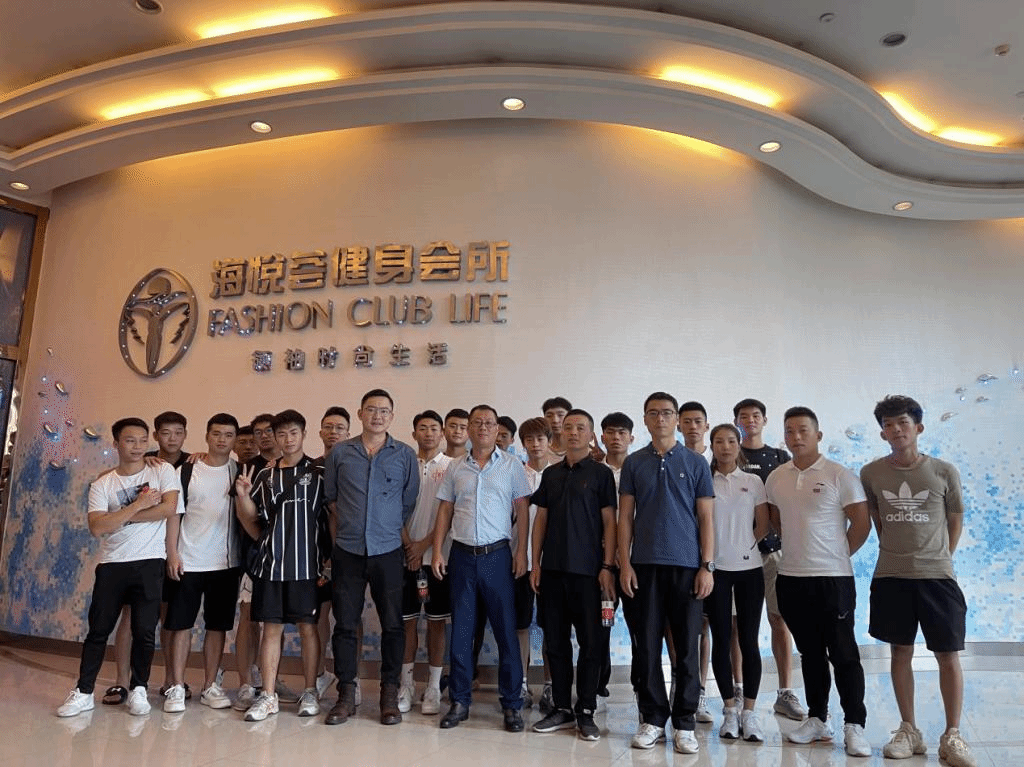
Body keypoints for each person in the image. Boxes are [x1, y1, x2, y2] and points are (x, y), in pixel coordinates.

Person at [860, 396, 975, 767]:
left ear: (918, 428)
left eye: (903, 423)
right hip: (891, 576)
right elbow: (877, 519)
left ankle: (952, 735)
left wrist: (941, 556)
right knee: (900, 652)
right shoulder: (871, 473)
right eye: (889, 425)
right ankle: (909, 730)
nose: (896, 430)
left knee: (948, 655)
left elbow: (954, 519)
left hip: (937, 576)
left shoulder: (943, 471)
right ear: (882, 433)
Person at [57, 417, 181, 718]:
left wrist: (118, 518)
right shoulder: (103, 483)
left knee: (144, 631)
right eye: (129, 440)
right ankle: (83, 692)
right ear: (116, 444)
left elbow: (168, 508)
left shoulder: (162, 470)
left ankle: (139, 690)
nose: (137, 447)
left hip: (150, 562)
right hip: (112, 564)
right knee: (98, 631)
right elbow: (97, 528)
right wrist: (137, 505)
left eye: (142, 440)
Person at [766, 406, 872, 757]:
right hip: (792, 578)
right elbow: (778, 521)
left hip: (833, 580)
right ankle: (817, 718)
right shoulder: (776, 477)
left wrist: (836, 555)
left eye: (803, 430)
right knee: (810, 653)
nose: (796, 437)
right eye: (790, 431)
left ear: (818, 435)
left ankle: (854, 724)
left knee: (843, 653)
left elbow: (861, 524)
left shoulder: (840, 475)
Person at [618, 392, 714, 755]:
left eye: (667, 413)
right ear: (644, 419)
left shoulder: (696, 462)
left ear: (676, 419)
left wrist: (707, 565)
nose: (660, 419)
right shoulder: (634, 463)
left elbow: (706, 518)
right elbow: (625, 517)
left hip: (687, 567)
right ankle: (653, 718)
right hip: (644, 567)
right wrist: (624, 563)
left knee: (687, 648)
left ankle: (685, 722)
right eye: (653, 413)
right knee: (645, 646)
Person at [432, 404, 531, 732]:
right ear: (469, 429)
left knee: (506, 631)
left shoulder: (512, 466)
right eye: (477, 423)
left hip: (497, 557)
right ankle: (459, 701)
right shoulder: (455, 467)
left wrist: (521, 552)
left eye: (489, 423)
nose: (483, 427)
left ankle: (512, 704)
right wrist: (438, 551)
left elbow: (522, 510)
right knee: (461, 631)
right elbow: (445, 510)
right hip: (461, 556)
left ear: (497, 428)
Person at [324, 390, 419, 726]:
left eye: (384, 411)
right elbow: (331, 498)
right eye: (371, 410)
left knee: (393, 625)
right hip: (348, 550)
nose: (377, 416)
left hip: (388, 550)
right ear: (360, 413)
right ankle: (346, 695)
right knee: (345, 625)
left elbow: (408, 502)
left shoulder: (404, 454)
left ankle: (389, 695)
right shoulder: (340, 452)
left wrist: (384, 524)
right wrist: (352, 525)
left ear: (392, 416)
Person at [234, 409, 329, 722]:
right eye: (282, 434)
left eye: (293, 433)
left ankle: (310, 691)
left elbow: (332, 517)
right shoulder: (265, 475)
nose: (288, 440)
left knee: (307, 629)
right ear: (274, 438)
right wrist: (243, 497)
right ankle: (268, 695)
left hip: (307, 567)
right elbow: (251, 518)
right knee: (270, 630)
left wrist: (330, 560)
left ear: (304, 435)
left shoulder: (319, 472)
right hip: (271, 567)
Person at [530, 409, 617, 741]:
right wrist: (535, 563)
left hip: (590, 574)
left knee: (591, 644)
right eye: (568, 427)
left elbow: (610, 522)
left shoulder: (601, 474)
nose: (573, 432)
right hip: (553, 571)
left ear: (591, 435)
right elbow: (541, 520)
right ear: (561, 433)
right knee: (555, 643)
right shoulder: (551, 474)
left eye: (581, 428)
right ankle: (562, 708)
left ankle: (587, 710)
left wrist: (607, 567)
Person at [162, 413, 243, 712]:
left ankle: (210, 685)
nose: (222, 439)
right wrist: (172, 553)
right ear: (207, 436)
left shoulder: (240, 471)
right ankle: (176, 686)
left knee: (217, 626)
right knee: (180, 625)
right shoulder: (186, 470)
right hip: (188, 561)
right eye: (217, 433)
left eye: (229, 435)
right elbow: (174, 514)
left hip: (225, 563)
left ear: (235, 440)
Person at [733, 397, 806, 721]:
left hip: (774, 552)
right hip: (737, 554)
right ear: (736, 422)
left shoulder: (779, 458)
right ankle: (737, 688)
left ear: (764, 420)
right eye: (743, 416)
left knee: (779, 619)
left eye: (755, 415)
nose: (750, 420)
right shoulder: (728, 454)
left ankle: (785, 692)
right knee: (737, 625)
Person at [705, 424, 769, 741]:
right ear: (712, 445)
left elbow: (764, 524)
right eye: (719, 441)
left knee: (748, 640)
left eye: (731, 441)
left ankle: (750, 713)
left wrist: (745, 546)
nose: (725, 447)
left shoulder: (753, 481)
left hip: (749, 569)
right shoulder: (704, 479)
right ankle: (729, 711)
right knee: (720, 638)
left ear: (739, 445)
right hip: (715, 570)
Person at [398, 409, 452, 715]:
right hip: (405, 557)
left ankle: (433, 687)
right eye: (423, 428)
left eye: (434, 428)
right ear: (414, 433)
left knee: (436, 623)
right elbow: (394, 507)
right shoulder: (404, 463)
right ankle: (406, 685)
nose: (428, 433)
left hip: (437, 558)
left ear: (441, 433)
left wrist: (425, 546)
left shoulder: (452, 466)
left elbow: (451, 512)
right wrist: (410, 546)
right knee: (406, 622)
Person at [313, 406, 351, 699]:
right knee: (319, 616)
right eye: (328, 427)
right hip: (316, 553)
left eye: (339, 428)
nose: (333, 432)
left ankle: (351, 679)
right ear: (320, 432)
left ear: (349, 433)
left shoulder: (355, 465)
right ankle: (318, 674)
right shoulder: (310, 468)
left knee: (349, 617)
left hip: (350, 551)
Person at [542, 396, 572, 463]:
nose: (555, 420)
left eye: (560, 415)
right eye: (549, 416)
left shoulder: (582, 449)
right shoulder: (539, 450)